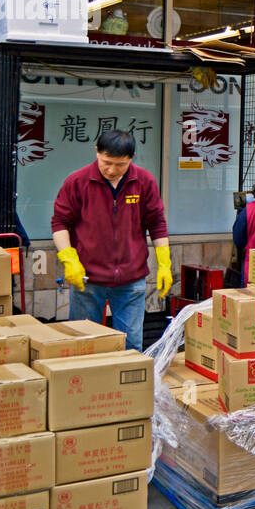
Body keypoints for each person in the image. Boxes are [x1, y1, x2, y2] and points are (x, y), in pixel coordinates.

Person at [52, 129, 171, 352]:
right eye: (106, 162)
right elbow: (59, 223)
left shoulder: (144, 181)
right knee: (85, 344)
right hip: (87, 279)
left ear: (131, 158)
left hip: (131, 279)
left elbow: (157, 224)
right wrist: (69, 259)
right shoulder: (77, 182)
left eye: (120, 164)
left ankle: (127, 387)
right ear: (96, 152)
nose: (111, 170)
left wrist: (164, 264)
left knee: (131, 344)